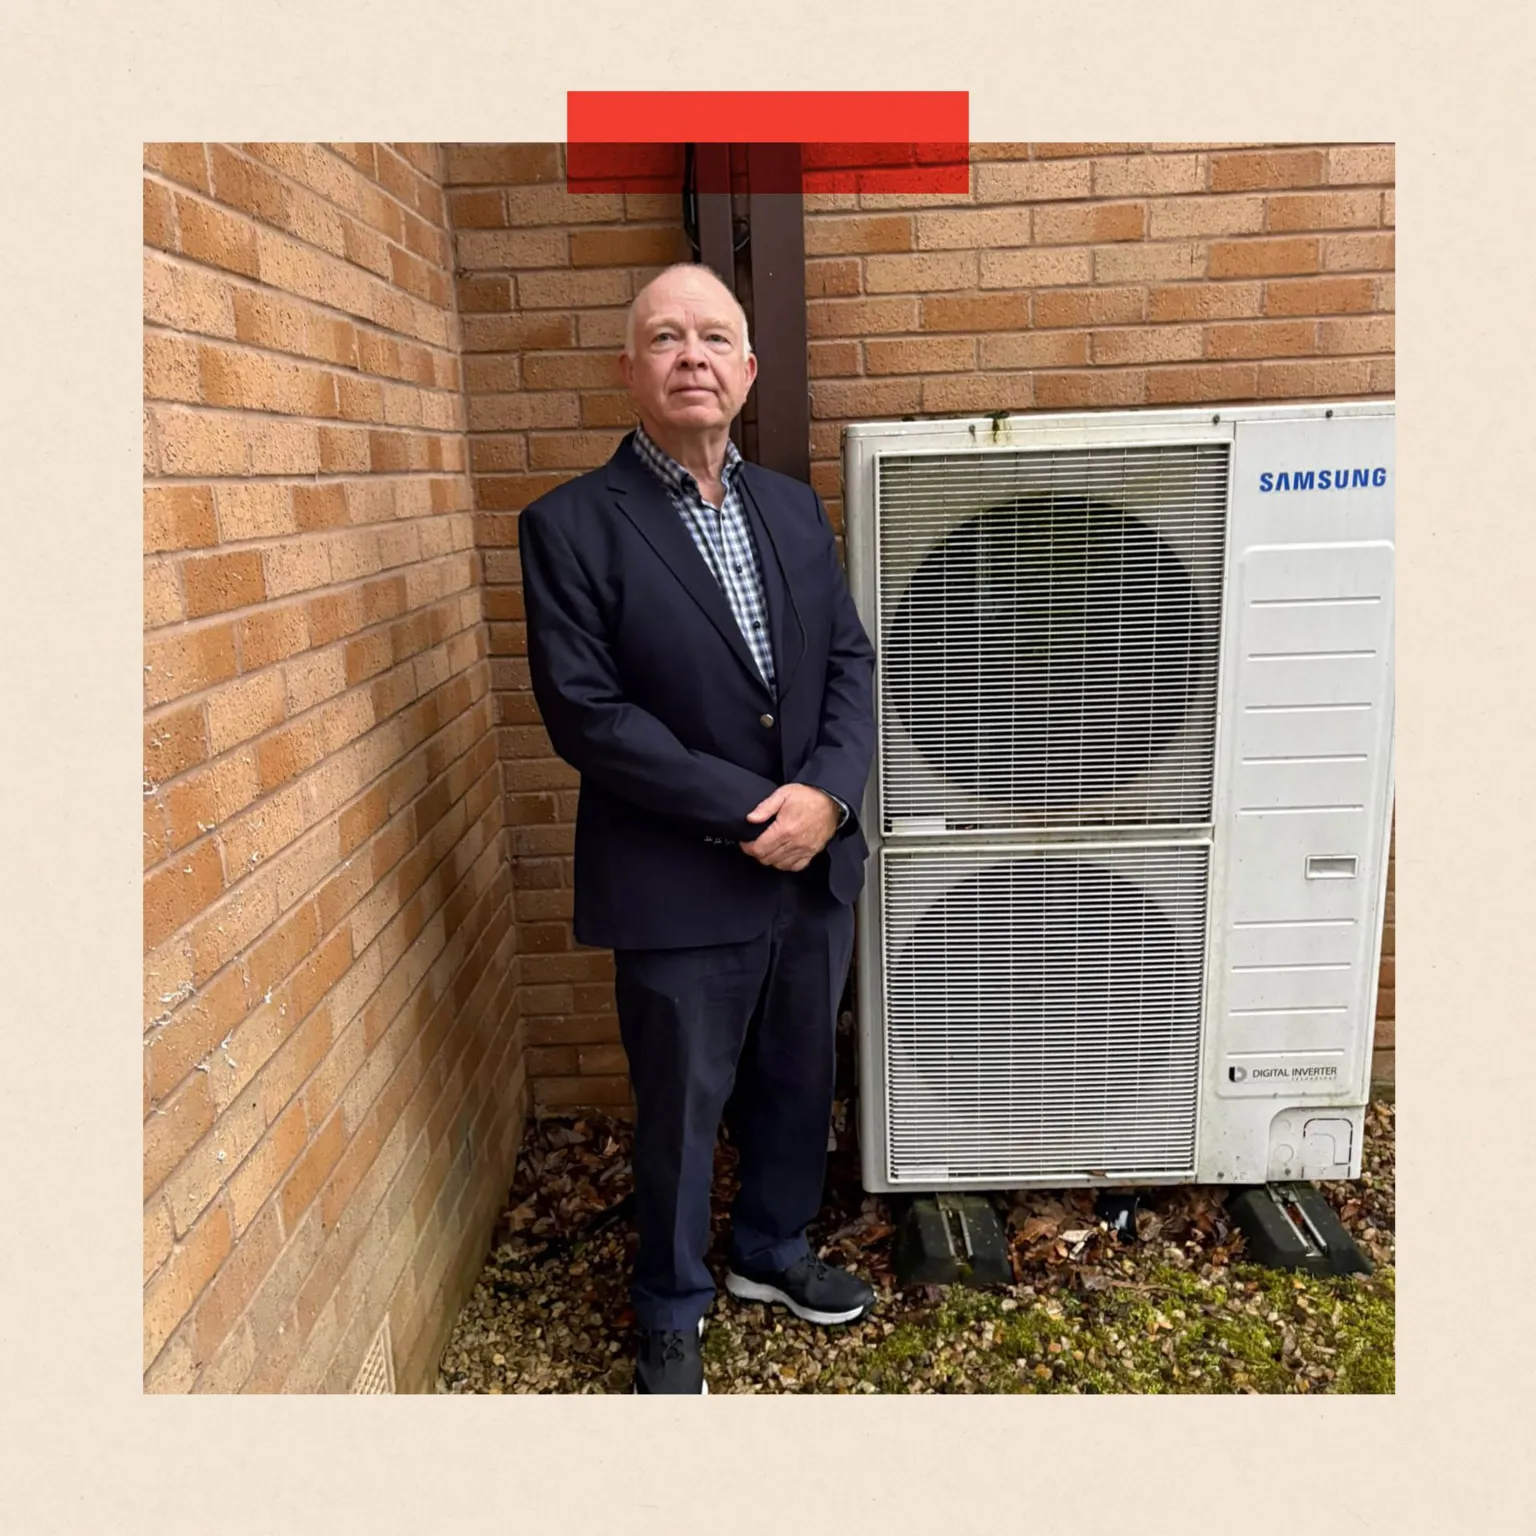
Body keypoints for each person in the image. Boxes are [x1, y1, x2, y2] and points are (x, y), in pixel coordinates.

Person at [517, 262, 877, 1394]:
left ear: (748, 369)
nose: (692, 358)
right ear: (630, 370)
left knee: (795, 1075)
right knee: (680, 1108)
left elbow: (849, 665)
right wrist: (751, 813)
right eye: (666, 339)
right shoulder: (569, 527)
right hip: (678, 879)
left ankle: (771, 1249)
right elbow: (588, 716)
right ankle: (669, 1304)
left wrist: (828, 795)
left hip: (810, 867)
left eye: (715, 338)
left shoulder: (788, 505)